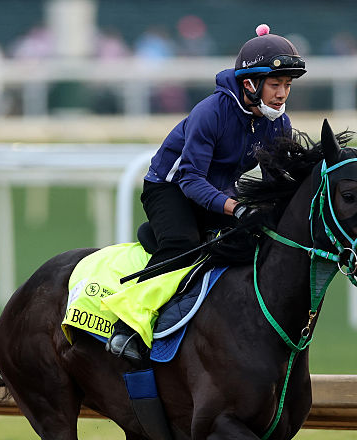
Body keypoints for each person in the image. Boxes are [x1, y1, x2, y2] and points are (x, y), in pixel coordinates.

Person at [106, 23, 307, 362]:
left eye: (287, 85)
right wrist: (236, 208)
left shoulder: (278, 123)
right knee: (182, 244)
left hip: (215, 191)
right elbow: (190, 180)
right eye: (275, 84)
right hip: (170, 188)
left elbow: (277, 181)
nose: (282, 93)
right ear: (249, 84)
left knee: (252, 243)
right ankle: (128, 327)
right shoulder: (210, 113)